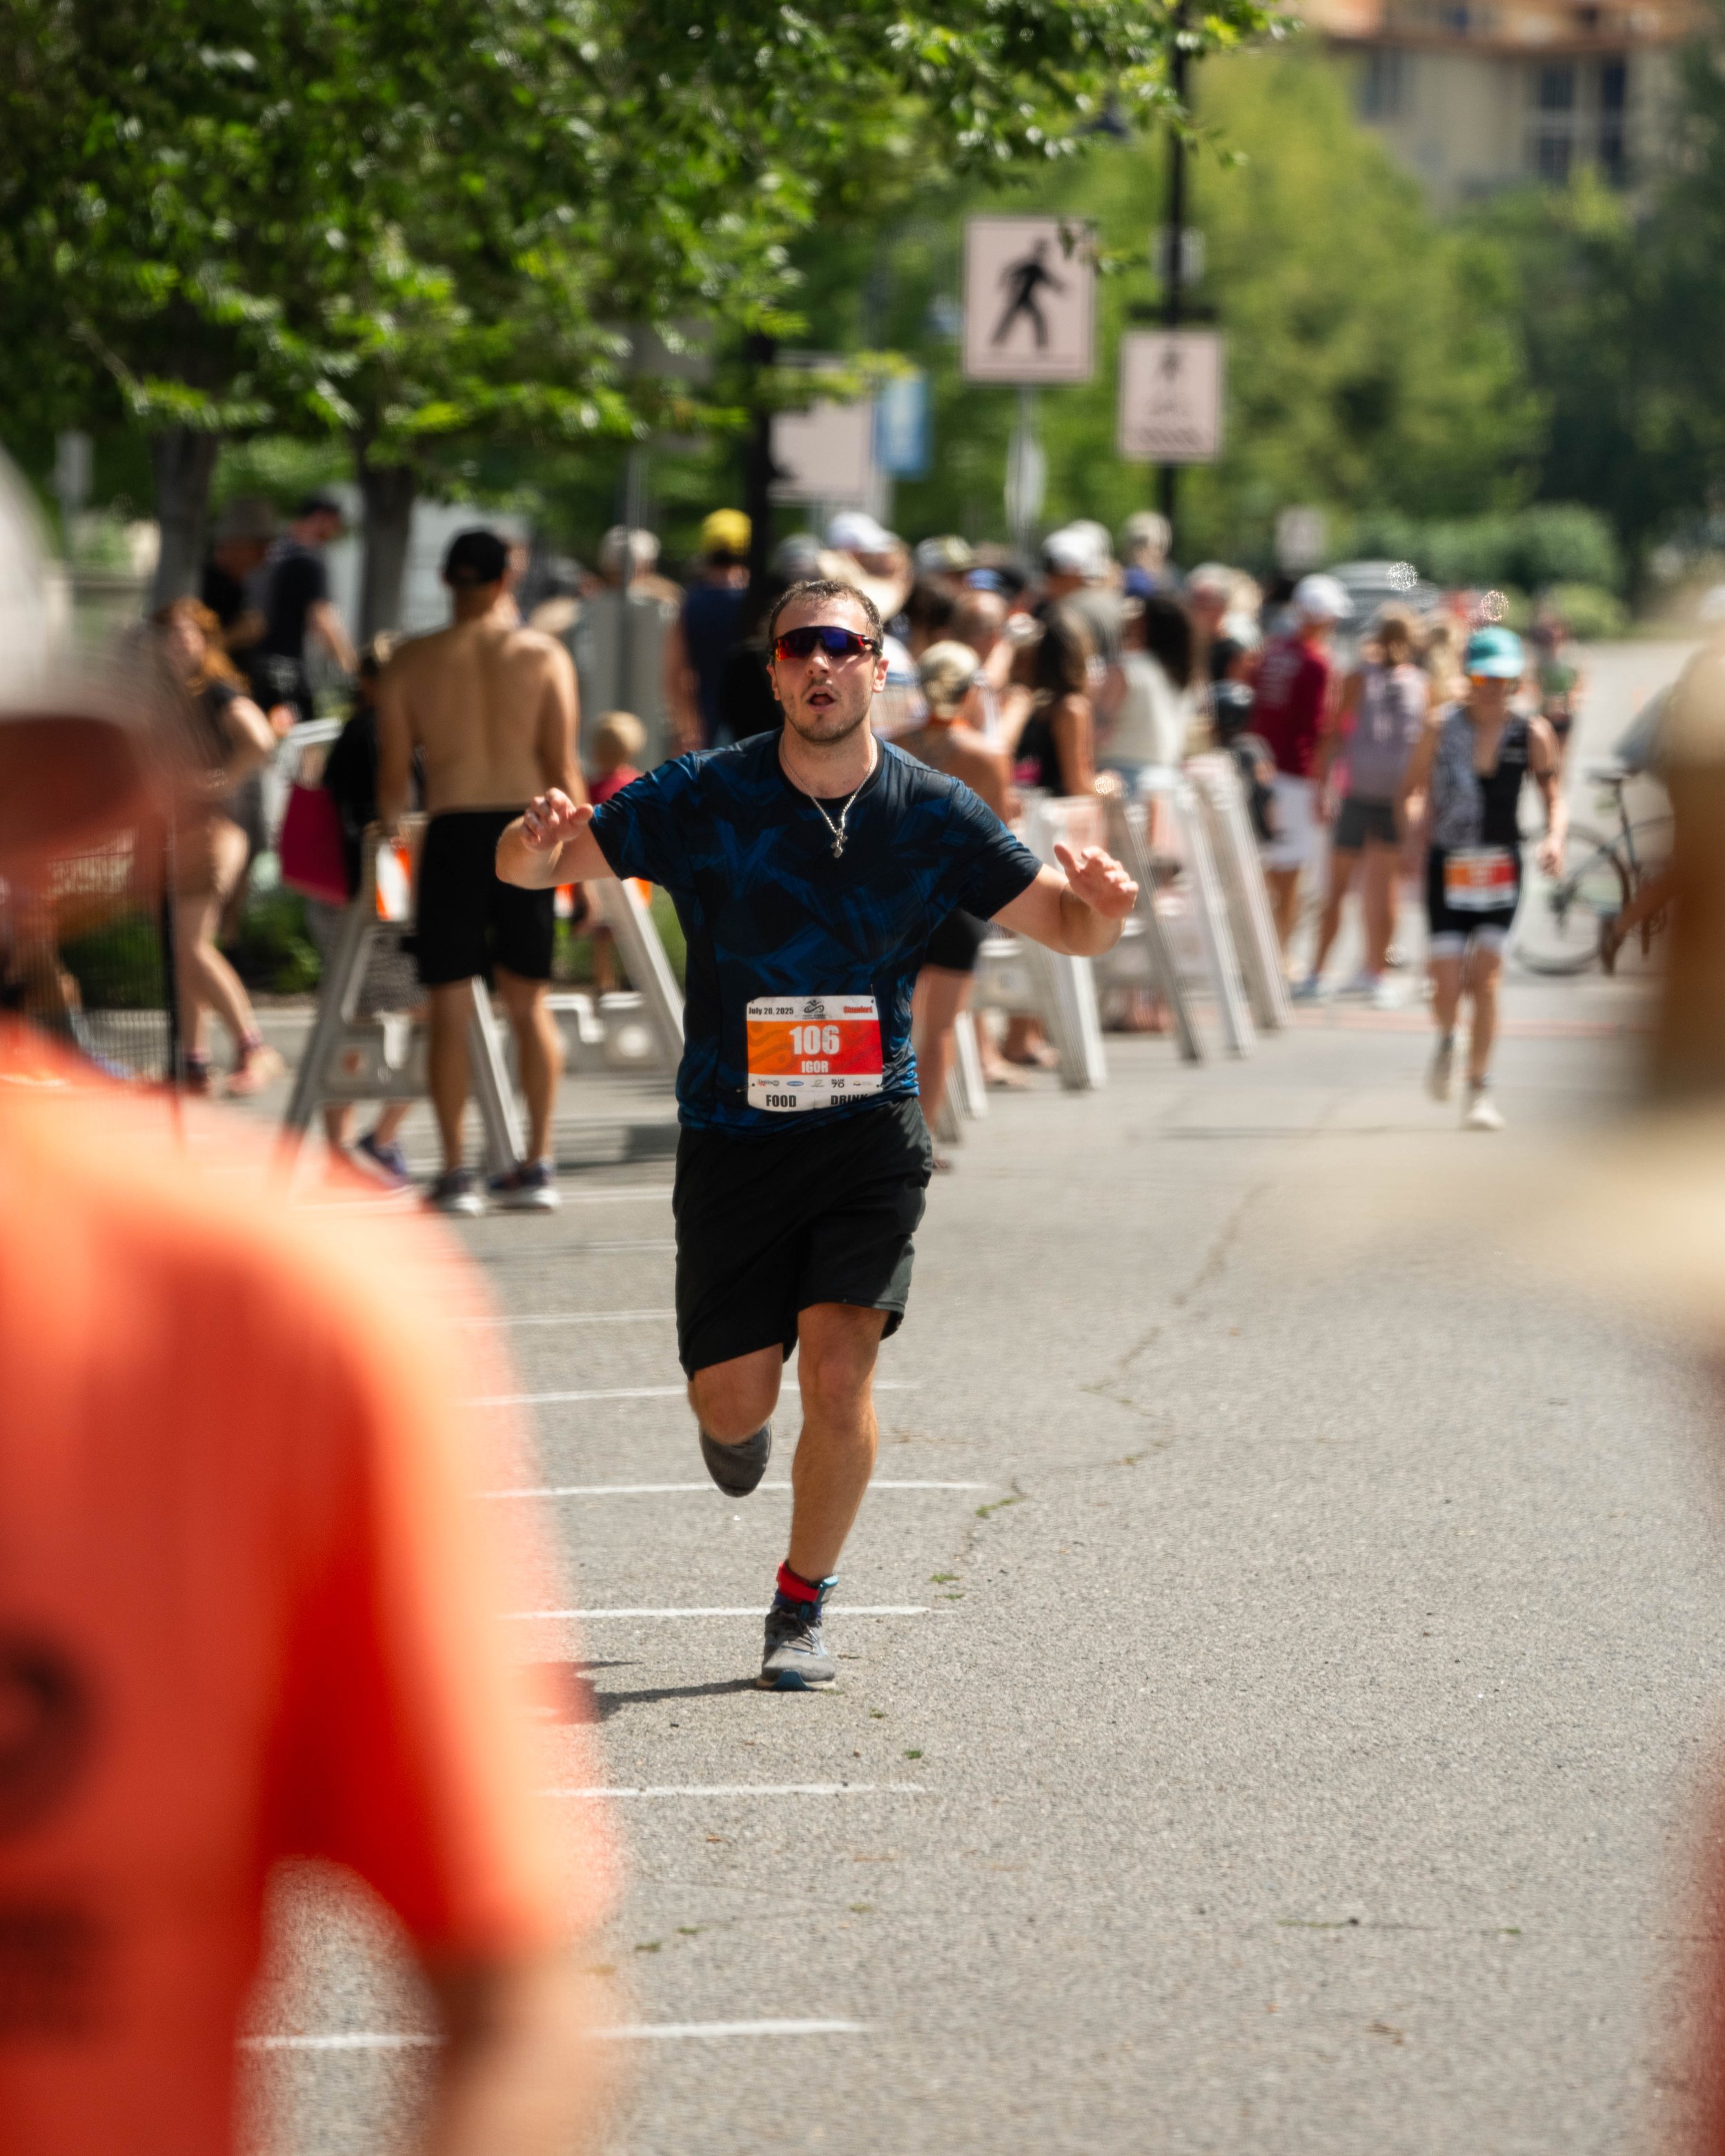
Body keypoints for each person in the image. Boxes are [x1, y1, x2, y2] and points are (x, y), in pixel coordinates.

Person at [0, 595, 615, 2155]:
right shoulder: (292, 1286)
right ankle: (509, 1152)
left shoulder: (265, 1305)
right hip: (491, 838)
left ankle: (506, 1151)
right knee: (494, 1012)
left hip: (475, 840)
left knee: (489, 1012)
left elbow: (507, 1995)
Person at [494, 577, 1137, 1688]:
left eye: (846, 647)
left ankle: (800, 1606)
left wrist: (1109, 909)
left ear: (880, 668)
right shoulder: (706, 796)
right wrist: (527, 841)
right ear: (777, 670)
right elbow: (535, 869)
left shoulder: (934, 812)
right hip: (735, 1137)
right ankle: (730, 1425)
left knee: (841, 1378)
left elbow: (1069, 929)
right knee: (734, 1396)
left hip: (869, 1134)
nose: (822, 666)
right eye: (802, 648)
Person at [376, 528, 582, 1216]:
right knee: (529, 1005)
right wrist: (576, 866)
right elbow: (563, 769)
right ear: (507, 579)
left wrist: (385, 847)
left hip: (456, 829)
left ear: (447, 580)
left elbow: (391, 781)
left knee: (448, 1006)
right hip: (526, 827)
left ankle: (458, 1170)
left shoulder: (412, 659)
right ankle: (538, 1161)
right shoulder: (542, 654)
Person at [1398, 626, 1565, 1130]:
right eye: (1481, 674)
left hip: (1499, 867)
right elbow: (1411, 789)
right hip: (1448, 863)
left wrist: (1554, 838)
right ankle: (1451, 1038)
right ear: (1466, 676)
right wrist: (1411, 834)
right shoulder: (1440, 726)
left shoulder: (1531, 731)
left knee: (1487, 979)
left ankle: (1479, 1088)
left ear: (1516, 681)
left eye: (1502, 677)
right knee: (1446, 982)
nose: (1491, 685)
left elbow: (1553, 794)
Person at [154, 597, 285, 1098]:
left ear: (205, 641)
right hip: (183, 833)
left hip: (218, 828)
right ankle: (193, 1063)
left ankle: (255, 1048)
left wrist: (219, 781)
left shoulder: (213, 688)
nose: (177, 643)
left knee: (190, 945)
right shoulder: (171, 698)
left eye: (187, 634)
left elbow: (259, 737)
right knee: (185, 948)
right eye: (169, 635)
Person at [308, 635, 420, 1185]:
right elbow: (386, 825)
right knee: (434, 1016)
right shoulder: (383, 732)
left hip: (354, 897)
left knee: (351, 1019)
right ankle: (376, 1140)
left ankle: (346, 1146)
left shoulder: (361, 728)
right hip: (378, 898)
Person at [898, 640, 1014, 1153]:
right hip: (959, 901)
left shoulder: (892, 746)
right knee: (940, 1026)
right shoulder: (987, 757)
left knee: (884, 1021)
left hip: (898, 896)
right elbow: (1000, 839)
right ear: (970, 692)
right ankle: (919, 1138)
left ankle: (870, 1136)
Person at [1301, 607, 1429, 1002]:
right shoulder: (1414, 682)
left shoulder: (1369, 677)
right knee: (1377, 889)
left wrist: (1323, 785)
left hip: (1367, 794)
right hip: (1387, 795)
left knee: (1343, 888)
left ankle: (1327, 971)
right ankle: (1369, 971)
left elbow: (1334, 732)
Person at [1252, 571, 1351, 956]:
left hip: (1262, 771)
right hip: (1297, 776)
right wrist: (1323, 786)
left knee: (1264, 872)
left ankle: (1264, 953)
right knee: (1289, 875)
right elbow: (1325, 730)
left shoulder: (1273, 652)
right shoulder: (1318, 664)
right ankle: (1279, 956)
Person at [250, 491, 355, 726]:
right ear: (321, 517)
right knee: (307, 743)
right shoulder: (308, 559)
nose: (335, 531)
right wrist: (350, 666)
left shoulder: (273, 551)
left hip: (253, 664)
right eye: (335, 523)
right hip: (287, 670)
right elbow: (322, 617)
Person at [667, 508, 750, 752]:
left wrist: (688, 727)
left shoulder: (691, 604)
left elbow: (674, 673)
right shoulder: (756, 604)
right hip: (755, 722)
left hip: (707, 722)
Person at [1103, 591, 1195, 787]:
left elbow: (1099, 730)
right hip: (1168, 781)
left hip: (1119, 782)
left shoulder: (1126, 668)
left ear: (1145, 625)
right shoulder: (1183, 675)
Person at [1014, 607, 1097, 799]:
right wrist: (1108, 786)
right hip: (1056, 818)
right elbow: (1078, 785)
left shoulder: (1032, 704)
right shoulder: (1071, 709)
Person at [1531, 613, 1586, 767]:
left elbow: (1581, 684)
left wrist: (1570, 698)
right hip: (1545, 713)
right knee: (1545, 758)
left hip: (1565, 713)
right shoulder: (1538, 658)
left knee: (1561, 759)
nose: (1552, 635)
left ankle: (1559, 788)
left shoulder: (1573, 656)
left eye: (1555, 630)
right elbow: (1533, 686)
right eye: (1548, 632)